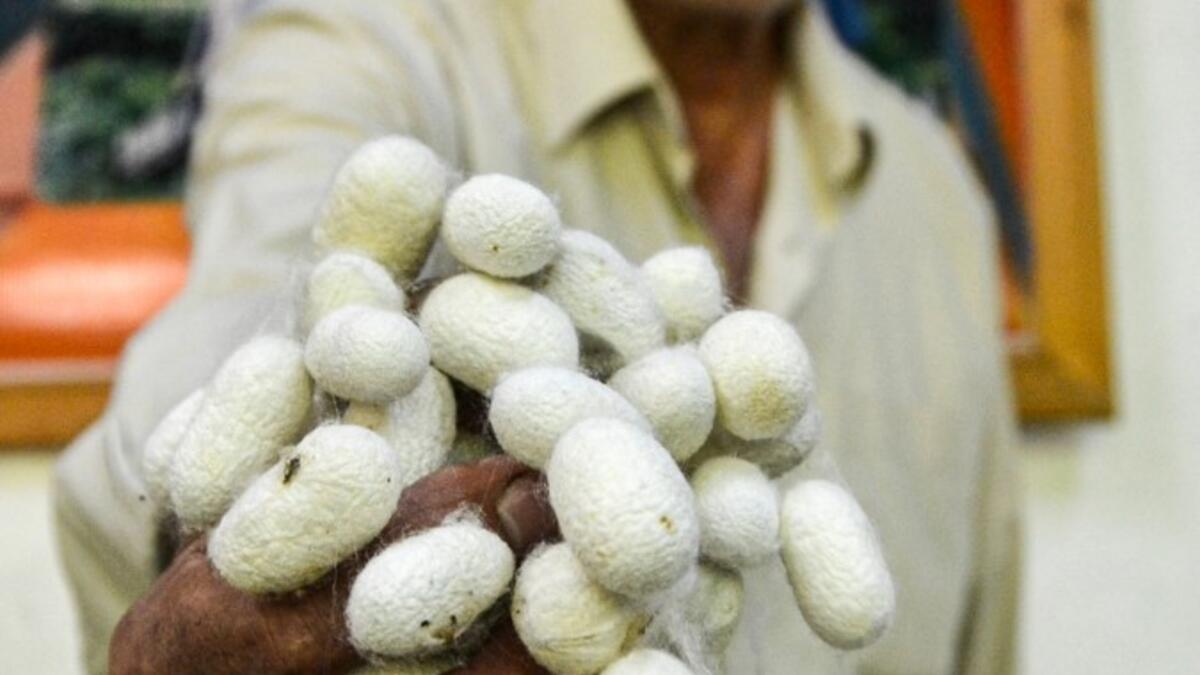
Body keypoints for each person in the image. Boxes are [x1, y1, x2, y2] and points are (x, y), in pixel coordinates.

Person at [54, 0, 1021, 673]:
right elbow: (194, 400)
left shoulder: (930, 188)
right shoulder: (364, 54)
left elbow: (984, 626)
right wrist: (216, 575)